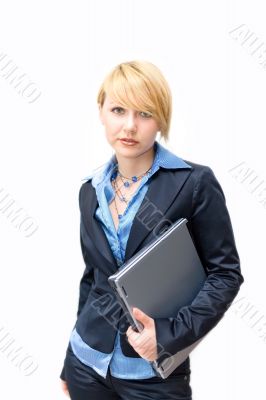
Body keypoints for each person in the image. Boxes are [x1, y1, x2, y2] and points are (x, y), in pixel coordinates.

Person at [59, 60, 244, 400]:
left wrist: (169, 334)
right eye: (118, 110)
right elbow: (94, 277)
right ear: (101, 112)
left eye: (145, 113)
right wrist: (68, 364)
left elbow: (226, 274)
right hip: (87, 362)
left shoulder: (195, 183)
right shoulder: (90, 190)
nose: (129, 126)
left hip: (152, 375)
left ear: (161, 119)